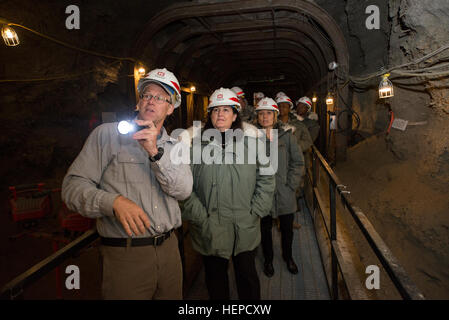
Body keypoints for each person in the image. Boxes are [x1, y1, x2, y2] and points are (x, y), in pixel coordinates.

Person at [61, 68, 193, 300]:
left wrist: (154, 152)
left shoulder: (175, 146)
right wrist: (112, 202)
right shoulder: (106, 135)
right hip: (126, 256)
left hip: (169, 251)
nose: (152, 101)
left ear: (170, 108)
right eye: (147, 95)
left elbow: (183, 191)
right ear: (138, 102)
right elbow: (72, 188)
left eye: (161, 98)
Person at [182, 88, 275, 300]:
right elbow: (184, 186)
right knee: (215, 281)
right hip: (210, 226)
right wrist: (200, 217)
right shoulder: (194, 147)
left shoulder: (252, 144)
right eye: (215, 110)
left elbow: (267, 178)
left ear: (235, 115)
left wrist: (256, 211)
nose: (220, 114)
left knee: (247, 277)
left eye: (226, 110)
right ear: (209, 116)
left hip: (244, 225)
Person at [255, 97, 304, 277]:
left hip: (284, 193)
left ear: (275, 115)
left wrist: (291, 185)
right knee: (264, 229)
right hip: (263, 195)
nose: (265, 117)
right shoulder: (252, 139)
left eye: (268, 113)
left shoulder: (287, 137)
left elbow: (298, 162)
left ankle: (288, 257)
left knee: (287, 229)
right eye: (261, 113)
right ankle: (268, 260)